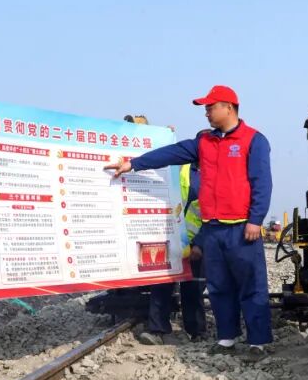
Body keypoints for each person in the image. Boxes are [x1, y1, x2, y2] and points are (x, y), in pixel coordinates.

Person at [105, 85, 273, 360]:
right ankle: (226, 338)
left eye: (210, 107)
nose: (206, 113)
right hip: (213, 229)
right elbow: (171, 153)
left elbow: (262, 182)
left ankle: (258, 342)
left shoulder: (254, 140)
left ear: (228, 107)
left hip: (242, 228)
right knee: (219, 286)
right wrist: (133, 164)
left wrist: (256, 219)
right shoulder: (204, 142)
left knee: (251, 286)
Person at [140, 160, 207, 344]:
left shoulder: (215, 174)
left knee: (193, 287)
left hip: (194, 242)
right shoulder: (178, 170)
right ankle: (157, 330)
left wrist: (200, 244)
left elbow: (212, 216)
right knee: (162, 284)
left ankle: (197, 332)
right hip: (168, 236)